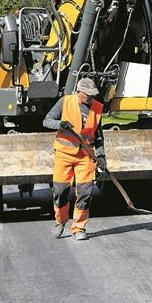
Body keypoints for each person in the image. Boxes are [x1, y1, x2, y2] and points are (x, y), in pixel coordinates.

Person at [42, 77, 105, 240]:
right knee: (60, 192)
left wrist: (101, 155)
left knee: (85, 193)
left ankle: (79, 228)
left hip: (85, 156)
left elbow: (98, 136)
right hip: (64, 153)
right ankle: (60, 221)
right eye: (87, 95)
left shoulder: (97, 108)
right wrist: (60, 124)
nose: (91, 99)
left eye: (93, 95)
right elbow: (46, 121)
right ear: (79, 92)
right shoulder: (65, 101)